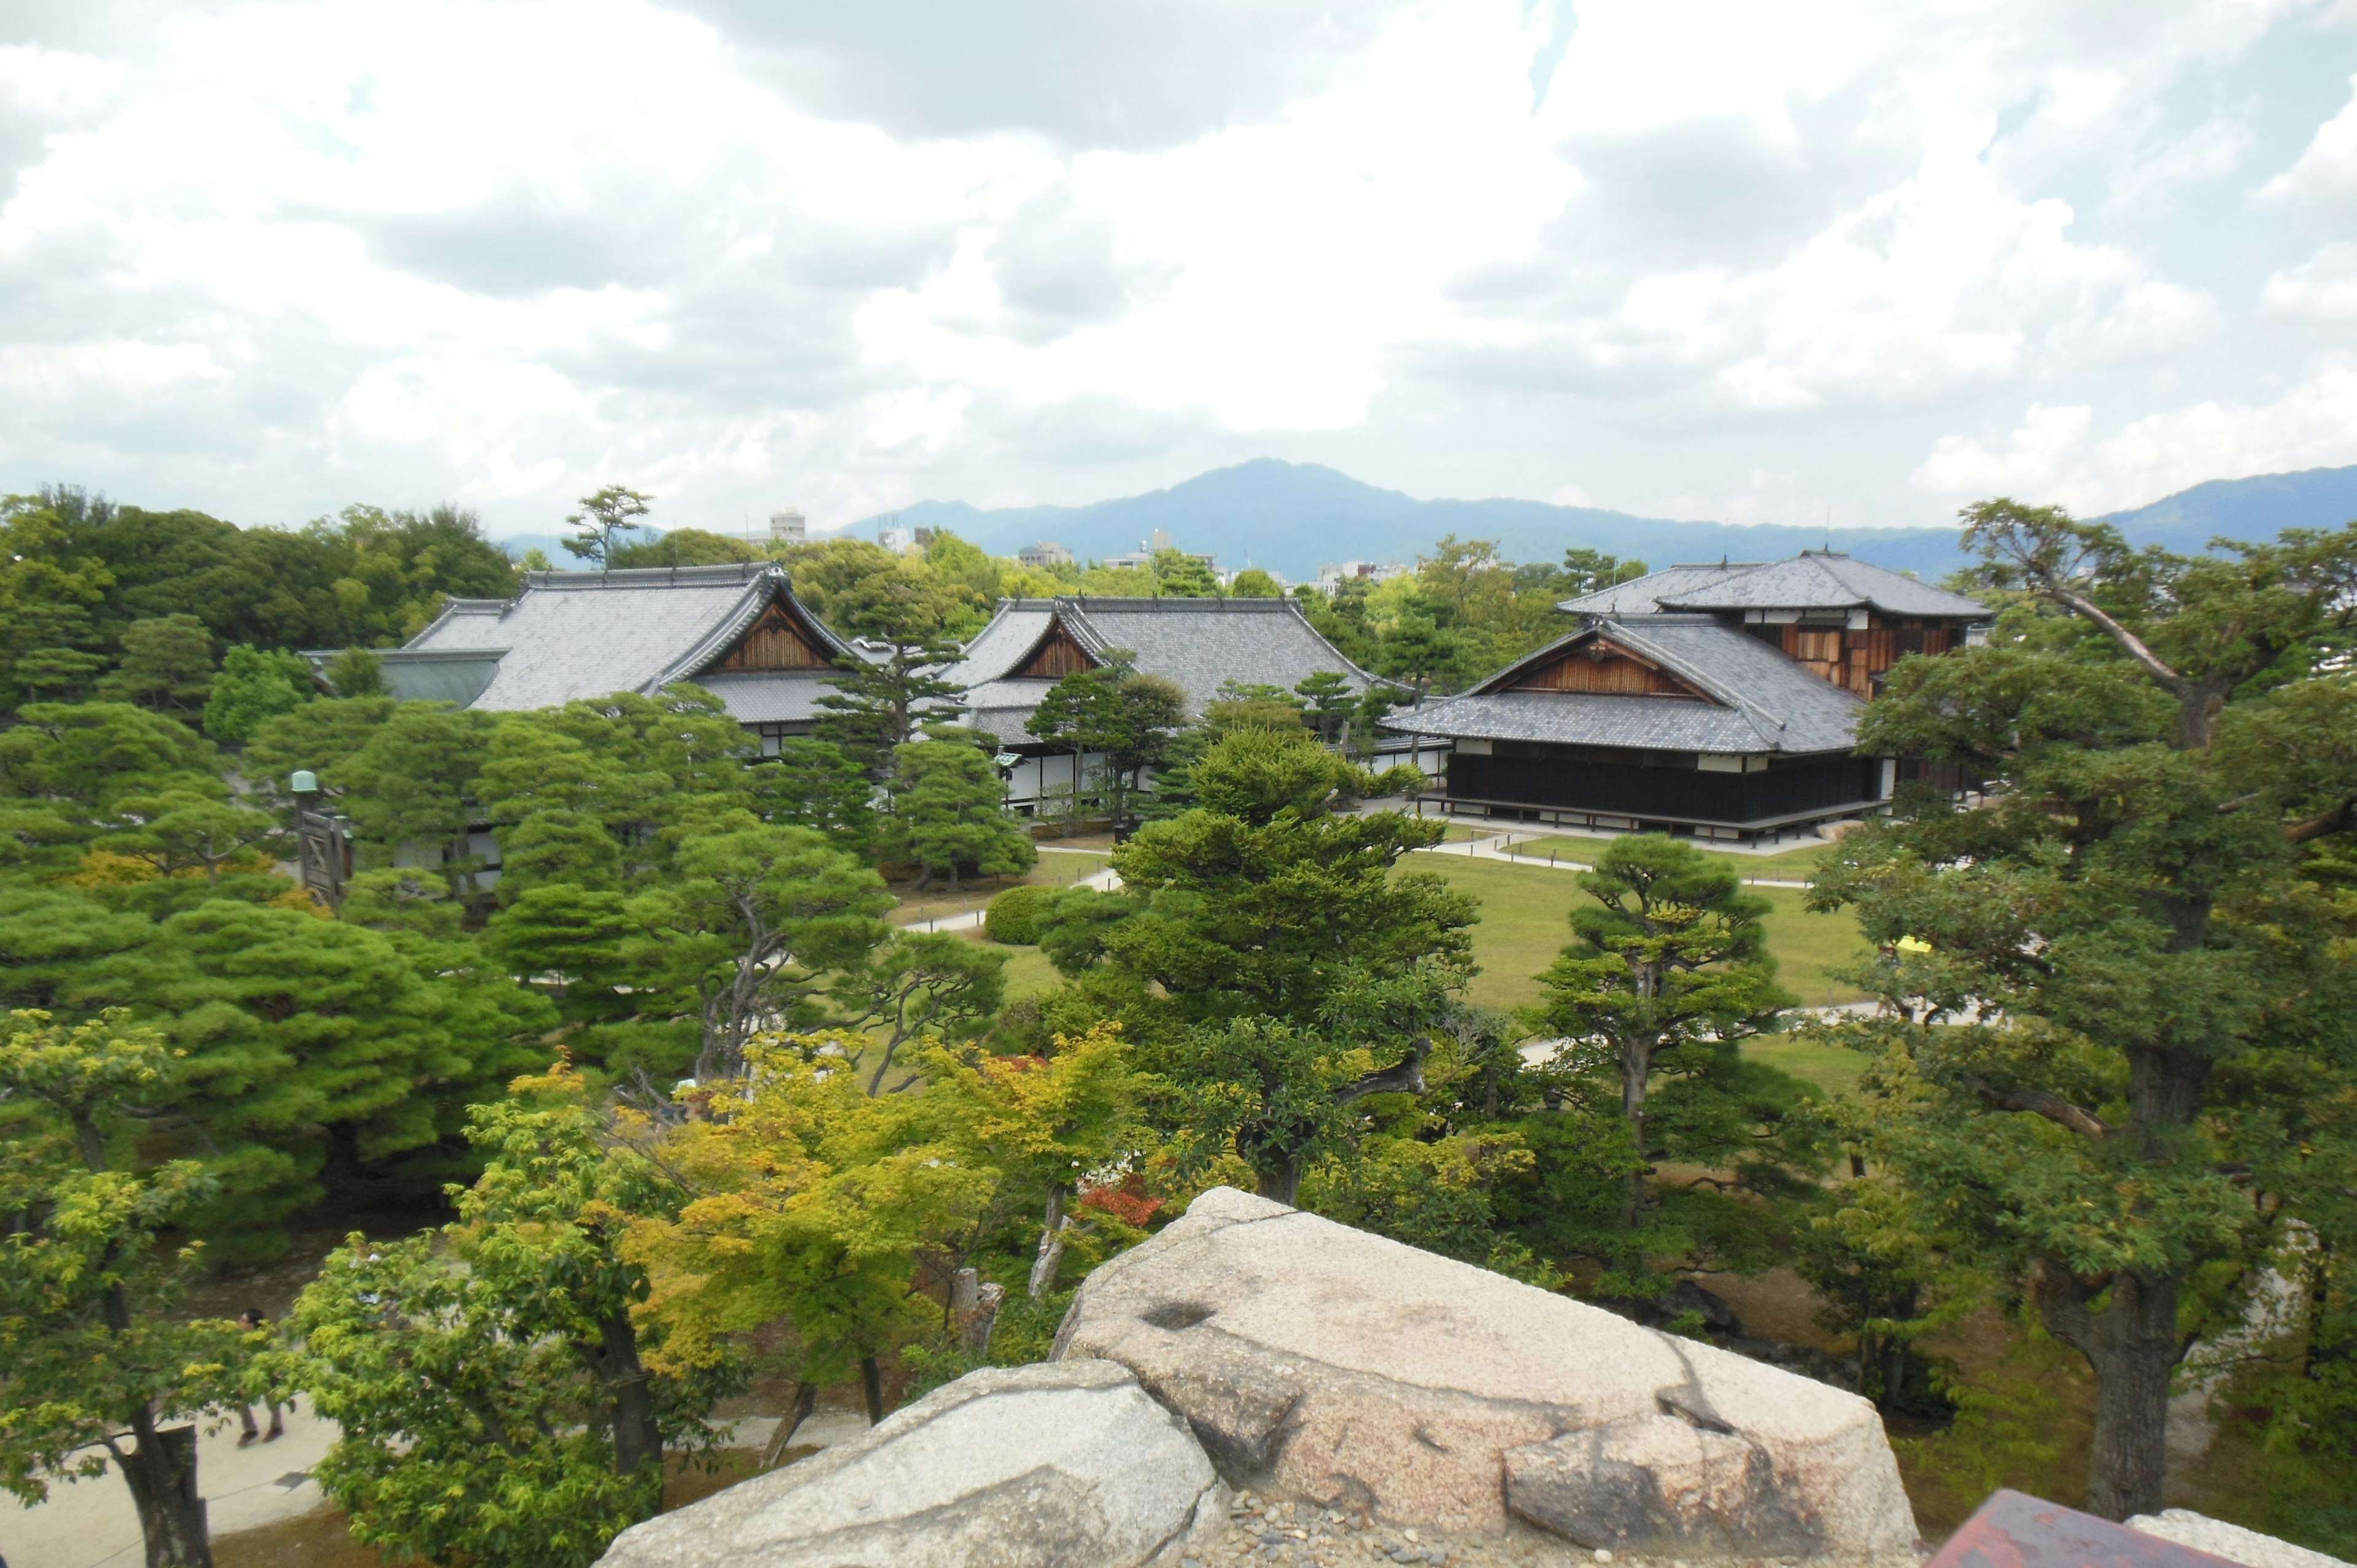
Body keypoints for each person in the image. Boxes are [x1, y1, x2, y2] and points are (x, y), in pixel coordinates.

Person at [237, 1308, 285, 1445]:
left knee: (272, 1402)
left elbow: (277, 1357)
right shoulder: (241, 1340)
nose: (239, 1323)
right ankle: (250, 1429)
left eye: (242, 1321)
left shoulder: (267, 1339)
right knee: (241, 1402)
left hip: (267, 1374)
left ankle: (277, 1427)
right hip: (250, 1375)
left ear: (251, 1325)